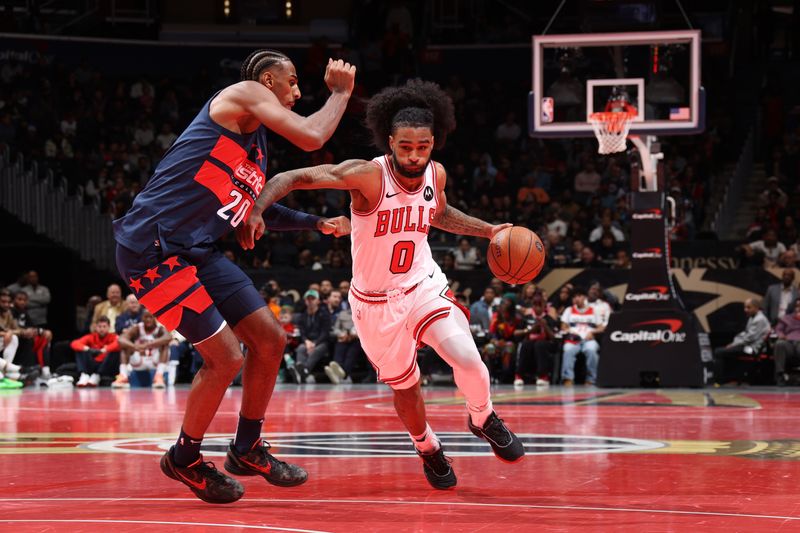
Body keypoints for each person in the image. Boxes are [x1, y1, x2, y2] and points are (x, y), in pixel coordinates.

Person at [239, 79, 525, 490]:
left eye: (422, 147)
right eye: (405, 147)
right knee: (407, 388)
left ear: (433, 143)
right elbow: (294, 176)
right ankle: (427, 446)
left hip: (422, 284)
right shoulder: (367, 176)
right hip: (374, 304)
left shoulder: (436, 174)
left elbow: (438, 213)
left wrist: (488, 230)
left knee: (468, 358)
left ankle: (482, 418)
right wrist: (258, 208)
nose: (413, 155)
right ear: (390, 141)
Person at [112, 49, 356, 503]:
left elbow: (252, 204)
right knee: (225, 358)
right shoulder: (240, 95)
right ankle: (184, 458)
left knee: (270, 339)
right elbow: (312, 137)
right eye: (293, 82)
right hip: (153, 247)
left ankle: (246, 449)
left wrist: (311, 223)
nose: (299, 92)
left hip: (195, 249)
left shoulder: (255, 142)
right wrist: (340, 94)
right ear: (267, 80)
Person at [712, 298, 771, 385]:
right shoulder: (753, 317)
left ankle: (718, 382)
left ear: (756, 308)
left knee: (719, 352)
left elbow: (749, 338)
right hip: (747, 346)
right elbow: (745, 333)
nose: (745, 310)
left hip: (752, 349)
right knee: (724, 351)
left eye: (748, 307)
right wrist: (734, 343)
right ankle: (728, 379)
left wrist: (733, 345)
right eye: (745, 307)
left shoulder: (760, 319)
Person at [114, 310, 173, 389]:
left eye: (151, 317)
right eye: (146, 317)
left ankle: (159, 376)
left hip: (154, 361)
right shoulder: (137, 328)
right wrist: (135, 347)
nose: (148, 319)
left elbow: (168, 337)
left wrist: (148, 345)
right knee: (124, 347)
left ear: (155, 318)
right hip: (139, 360)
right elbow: (121, 339)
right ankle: (123, 376)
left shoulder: (159, 329)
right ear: (142, 318)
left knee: (165, 345)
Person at [559, 287, 601, 386]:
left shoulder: (593, 310)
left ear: (585, 297)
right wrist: (570, 331)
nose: (577, 298)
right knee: (568, 349)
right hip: (573, 339)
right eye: (574, 297)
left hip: (588, 339)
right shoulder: (569, 310)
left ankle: (591, 379)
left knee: (591, 350)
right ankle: (568, 378)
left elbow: (601, 327)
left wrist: (593, 332)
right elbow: (563, 326)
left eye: (579, 296)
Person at [70, 316, 121, 387]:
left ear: (109, 327)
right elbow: (74, 343)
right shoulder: (91, 337)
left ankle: (97, 375)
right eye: (99, 326)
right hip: (93, 364)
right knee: (80, 350)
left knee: (115, 352)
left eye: (104, 326)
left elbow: (118, 344)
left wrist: (104, 350)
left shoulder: (113, 336)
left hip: (106, 365)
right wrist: (88, 349)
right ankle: (84, 375)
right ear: (96, 327)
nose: (102, 329)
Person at [773, 299, 800, 386]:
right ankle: (780, 375)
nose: (798, 308)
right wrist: (781, 335)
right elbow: (778, 329)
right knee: (779, 344)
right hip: (789, 343)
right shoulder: (787, 318)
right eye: (797, 306)